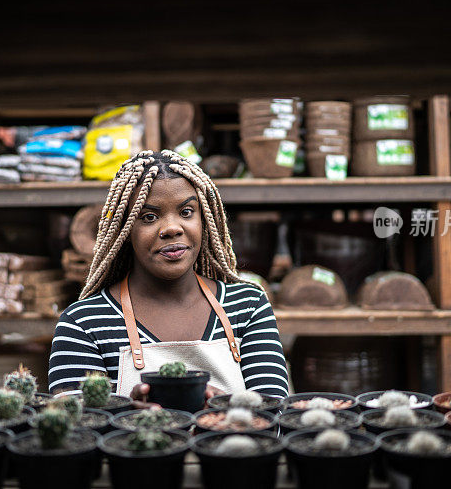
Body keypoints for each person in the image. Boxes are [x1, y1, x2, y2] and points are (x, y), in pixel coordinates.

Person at [48, 150, 289, 406]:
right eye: (149, 217)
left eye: (186, 212)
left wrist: (225, 409)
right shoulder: (84, 323)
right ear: (125, 230)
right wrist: (127, 416)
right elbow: (76, 433)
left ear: (205, 219)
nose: (172, 228)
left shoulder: (248, 306)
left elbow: (275, 417)